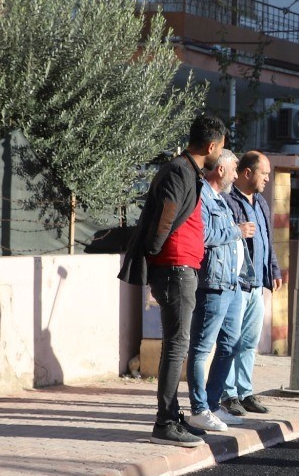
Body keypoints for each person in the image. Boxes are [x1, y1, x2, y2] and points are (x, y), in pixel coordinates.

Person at [119, 114, 227, 447]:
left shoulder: (186, 172)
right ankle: (165, 421)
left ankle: (171, 416)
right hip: (176, 269)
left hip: (181, 269)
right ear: (211, 146)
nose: (220, 154)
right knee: (176, 347)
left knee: (177, 345)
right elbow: (166, 214)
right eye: (221, 148)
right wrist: (155, 256)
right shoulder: (179, 171)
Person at [184, 151, 246, 433]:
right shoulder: (203, 196)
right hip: (213, 284)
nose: (236, 175)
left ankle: (212, 404)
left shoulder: (220, 198)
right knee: (201, 348)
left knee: (230, 345)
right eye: (234, 169)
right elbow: (203, 235)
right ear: (220, 169)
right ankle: (199, 409)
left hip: (231, 283)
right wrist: (237, 232)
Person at [218, 150, 282, 418]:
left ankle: (245, 392)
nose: (267, 179)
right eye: (263, 173)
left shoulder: (262, 203)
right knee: (230, 341)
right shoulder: (227, 200)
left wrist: (274, 269)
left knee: (249, 342)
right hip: (236, 286)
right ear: (247, 173)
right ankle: (227, 394)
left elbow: (267, 240)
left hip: (257, 285)